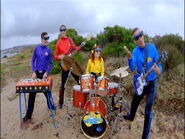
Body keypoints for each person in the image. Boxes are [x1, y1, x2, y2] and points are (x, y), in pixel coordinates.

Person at [123, 27, 162, 139]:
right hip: (141, 83)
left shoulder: (152, 48)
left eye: (140, 35)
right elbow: (132, 68)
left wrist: (158, 71)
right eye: (136, 37)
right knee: (134, 102)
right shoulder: (135, 51)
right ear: (135, 40)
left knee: (147, 112)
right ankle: (131, 118)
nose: (139, 38)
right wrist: (130, 58)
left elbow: (159, 65)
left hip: (151, 84)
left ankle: (145, 137)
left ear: (143, 35)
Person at [23, 32, 53, 122]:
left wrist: (46, 73)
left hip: (44, 74)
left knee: (47, 92)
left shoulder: (49, 50)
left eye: (47, 38)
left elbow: (51, 63)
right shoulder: (36, 49)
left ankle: (50, 106)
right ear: (41, 39)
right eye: (45, 38)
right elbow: (32, 61)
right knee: (32, 94)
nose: (46, 40)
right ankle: (28, 115)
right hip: (36, 74)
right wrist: (33, 72)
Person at [54, 25, 86, 109]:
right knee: (63, 85)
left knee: (79, 81)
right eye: (61, 30)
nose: (63, 31)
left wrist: (81, 46)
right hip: (64, 66)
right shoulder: (58, 43)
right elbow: (55, 57)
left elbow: (76, 49)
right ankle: (60, 102)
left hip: (71, 65)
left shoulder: (70, 40)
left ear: (66, 31)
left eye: (64, 30)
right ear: (60, 31)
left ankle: (83, 100)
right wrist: (60, 57)